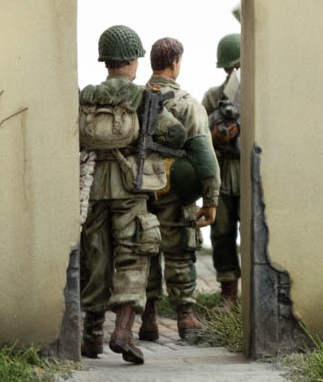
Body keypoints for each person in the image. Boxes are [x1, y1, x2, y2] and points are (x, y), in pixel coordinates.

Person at [78, 25, 184, 364]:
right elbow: (177, 134)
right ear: (133, 61)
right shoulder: (142, 97)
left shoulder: (88, 95)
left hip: (93, 186)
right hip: (130, 185)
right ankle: (122, 333)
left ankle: (91, 336)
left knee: (95, 257)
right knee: (133, 254)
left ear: (106, 61)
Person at [140, 37, 220, 340]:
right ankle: (185, 318)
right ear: (175, 63)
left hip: (139, 191)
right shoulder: (187, 104)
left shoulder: (136, 99)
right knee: (179, 254)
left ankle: (148, 319)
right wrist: (211, 200)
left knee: (145, 253)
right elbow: (205, 156)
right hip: (175, 193)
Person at [202, 33, 242, 310]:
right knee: (222, 232)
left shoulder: (257, 96)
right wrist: (215, 133)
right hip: (223, 171)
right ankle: (228, 293)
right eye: (230, 68)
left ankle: (255, 291)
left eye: (237, 68)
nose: (233, 73)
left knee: (255, 235)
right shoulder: (213, 97)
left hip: (249, 172)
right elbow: (199, 133)